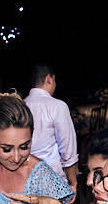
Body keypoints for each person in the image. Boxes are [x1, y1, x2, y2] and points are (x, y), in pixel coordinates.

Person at [25, 62, 79, 191]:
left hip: (24, 179)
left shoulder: (20, 105)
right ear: (49, 79)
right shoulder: (57, 106)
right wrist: (73, 182)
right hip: (52, 179)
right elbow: (67, 149)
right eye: (55, 81)